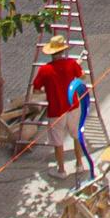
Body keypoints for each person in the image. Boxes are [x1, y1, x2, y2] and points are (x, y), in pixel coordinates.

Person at [30, 36, 84, 175]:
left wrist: (46, 90)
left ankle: (61, 170)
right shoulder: (71, 64)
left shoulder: (45, 70)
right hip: (73, 107)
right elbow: (81, 76)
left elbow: (36, 90)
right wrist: (78, 64)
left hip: (56, 110)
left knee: (58, 141)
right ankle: (79, 164)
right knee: (76, 135)